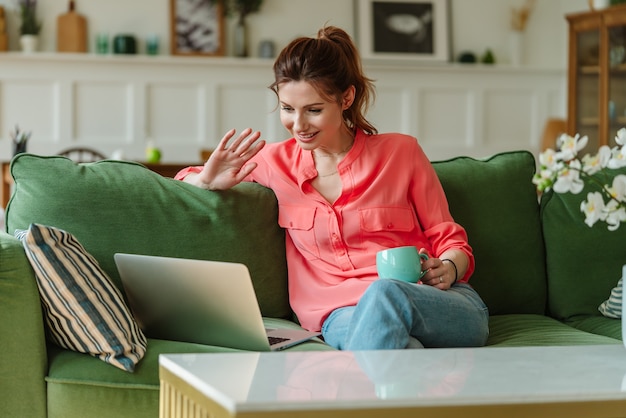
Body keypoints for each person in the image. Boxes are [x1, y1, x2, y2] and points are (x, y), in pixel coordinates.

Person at [175, 26, 489, 350]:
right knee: (400, 348)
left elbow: (449, 237)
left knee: (385, 294)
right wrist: (205, 180)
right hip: (342, 316)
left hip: (432, 301)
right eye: (287, 109)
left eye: (313, 110)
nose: (298, 125)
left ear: (346, 98)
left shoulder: (401, 153)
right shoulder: (272, 162)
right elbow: (181, 185)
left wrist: (449, 268)